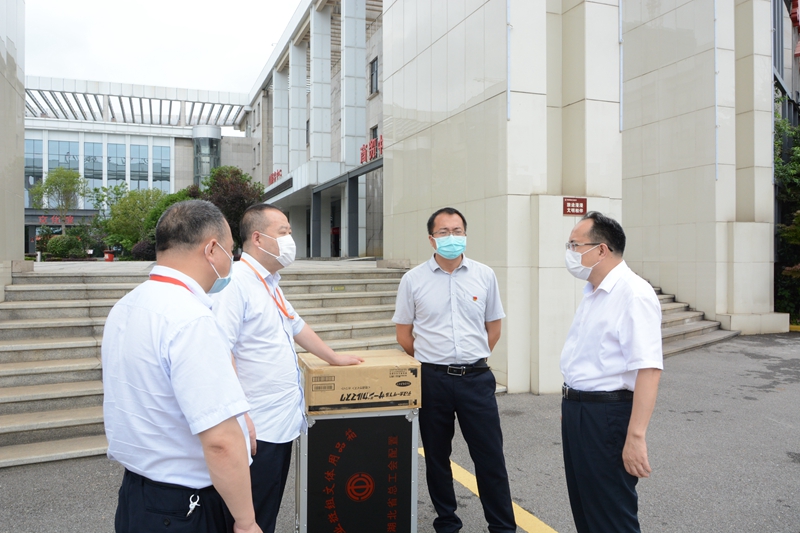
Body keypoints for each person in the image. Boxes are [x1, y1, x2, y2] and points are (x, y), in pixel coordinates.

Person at [102, 200, 261, 533]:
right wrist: (246, 522)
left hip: (137, 498)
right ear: (212, 250)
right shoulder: (191, 319)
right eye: (231, 251)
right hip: (184, 508)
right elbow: (220, 441)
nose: (232, 260)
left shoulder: (126, 305)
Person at [211, 203, 363, 533]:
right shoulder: (235, 283)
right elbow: (220, 349)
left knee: (265, 513)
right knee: (248, 519)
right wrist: (238, 413)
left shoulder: (268, 282)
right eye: (283, 232)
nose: (290, 240)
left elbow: (296, 325)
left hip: (279, 424)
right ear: (258, 238)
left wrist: (333, 357)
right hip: (256, 428)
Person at [393, 207, 517, 533]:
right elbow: (404, 335)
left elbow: (494, 328)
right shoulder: (413, 280)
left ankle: (502, 527)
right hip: (432, 380)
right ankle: (447, 523)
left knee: (490, 457)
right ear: (431, 239)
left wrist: (471, 358)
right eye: (444, 232)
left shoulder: (484, 275)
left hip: (476, 379)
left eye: (457, 231)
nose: (452, 237)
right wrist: (433, 360)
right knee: (436, 457)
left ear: (465, 234)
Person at [560, 211, 663, 533]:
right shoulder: (593, 292)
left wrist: (636, 436)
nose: (570, 253)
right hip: (580, 410)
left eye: (575, 245)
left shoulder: (633, 294)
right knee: (586, 508)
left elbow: (648, 369)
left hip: (606, 416)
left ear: (601, 250)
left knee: (610, 514)